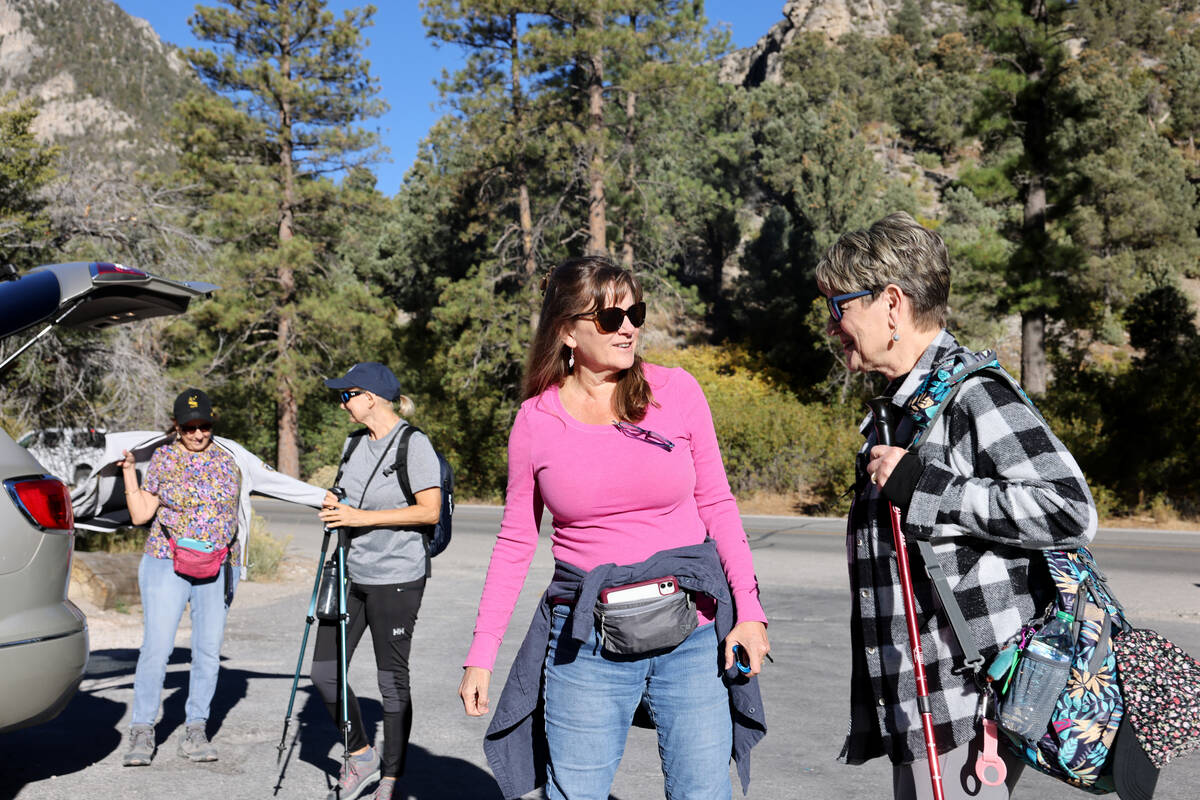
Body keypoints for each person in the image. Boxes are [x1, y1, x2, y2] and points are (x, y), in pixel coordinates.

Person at [458, 256, 770, 800]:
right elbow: (514, 542)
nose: (628, 327)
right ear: (567, 332)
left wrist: (750, 611)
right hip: (586, 643)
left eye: (635, 313)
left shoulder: (676, 391)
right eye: (608, 318)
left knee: (702, 792)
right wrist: (482, 653)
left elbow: (718, 504)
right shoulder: (536, 420)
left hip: (692, 634)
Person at [816, 212, 1098, 800]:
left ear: (891, 303)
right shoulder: (903, 406)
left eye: (839, 305)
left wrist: (932, 488)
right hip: (922, 698)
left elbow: (1070, 508)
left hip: (969, 700)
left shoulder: (972, 395)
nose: (831, 324)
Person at [120, 388, 328, 766]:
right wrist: (128, 476)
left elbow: (277, 482)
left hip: (218, 565)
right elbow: (139, 514)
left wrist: (326, 498)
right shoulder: (163, 459)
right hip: (165, 562)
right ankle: (142, 730)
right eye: (189, 428)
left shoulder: (231, 455)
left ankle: (195, 728)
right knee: (157, 648)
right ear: (176, 427)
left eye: (204, 426)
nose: (198, 434)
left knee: (206, 651)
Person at [313, 362, 442, 800]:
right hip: (350, 572)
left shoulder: (414, 444)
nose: (342, 402)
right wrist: (335, 505)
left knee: (391, 681)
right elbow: (348, 496)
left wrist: (359, 517)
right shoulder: (353, 444)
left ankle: (390, 778)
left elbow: (430, 510)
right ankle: (362, 752)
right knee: (325, 672)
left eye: (347, 394)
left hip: (398, 578)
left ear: (371, 397)